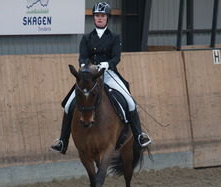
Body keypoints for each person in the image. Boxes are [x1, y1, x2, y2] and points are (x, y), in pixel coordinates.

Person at [51, 2, 152, 154]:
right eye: (97, 15)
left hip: (109, 74)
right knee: (68, 105)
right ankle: (62, 141)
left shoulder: (114, 37)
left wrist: (107, 64)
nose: (99, 18)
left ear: (107, 18)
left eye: (102, 16)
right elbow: (82, 58)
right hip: (89, 76)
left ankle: (139, 136)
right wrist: (88, 67)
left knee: (130, 101)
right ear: (94, 18)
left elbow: (117, 57)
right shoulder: (86, 38)